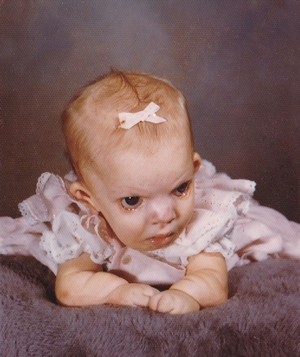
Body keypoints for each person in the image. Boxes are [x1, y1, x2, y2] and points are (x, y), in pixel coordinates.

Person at [0, 70, 299, 314]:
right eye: (132, 201)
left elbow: (212, 281)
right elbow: (69, 285)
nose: (165, 215)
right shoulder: (86, 225)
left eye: (180, 188)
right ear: (89, 199)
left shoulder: (200, 223)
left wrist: (185, 294)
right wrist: (118, 291)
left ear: (193, 168)